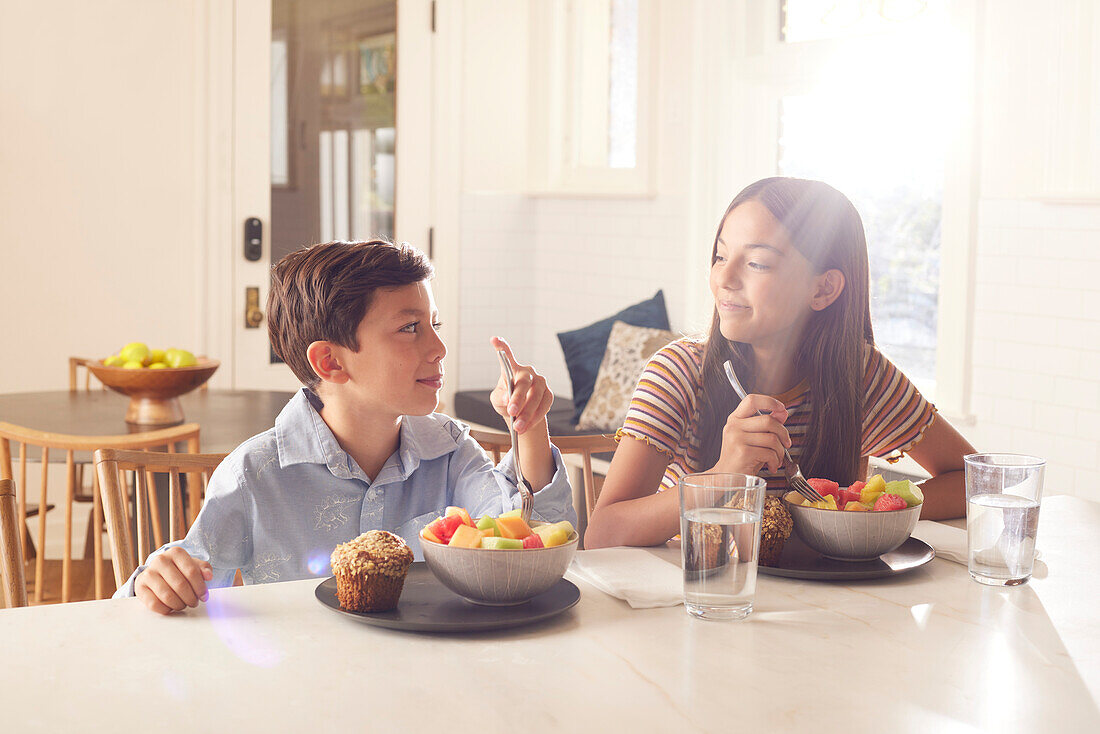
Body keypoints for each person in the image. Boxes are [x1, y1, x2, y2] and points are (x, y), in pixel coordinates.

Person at [117, 239, 576, 614]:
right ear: (331, 361)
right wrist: (158, 583)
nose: (439, 347)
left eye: (435, 324)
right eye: (411, 328)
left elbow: (536, 544)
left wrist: (530, 426)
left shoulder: (451, 452)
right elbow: (177, 594)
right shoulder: (255, 473)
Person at [584, 177, 974, 549]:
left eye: (756, 263)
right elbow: (602, 533)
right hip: (707, 600)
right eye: (720, 256)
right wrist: (723, 475)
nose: (725, 278)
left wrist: (865, 510)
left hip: (831, 607)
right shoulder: (680, 372)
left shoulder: (862, 376)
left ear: (823, 288)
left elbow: (973, 481)